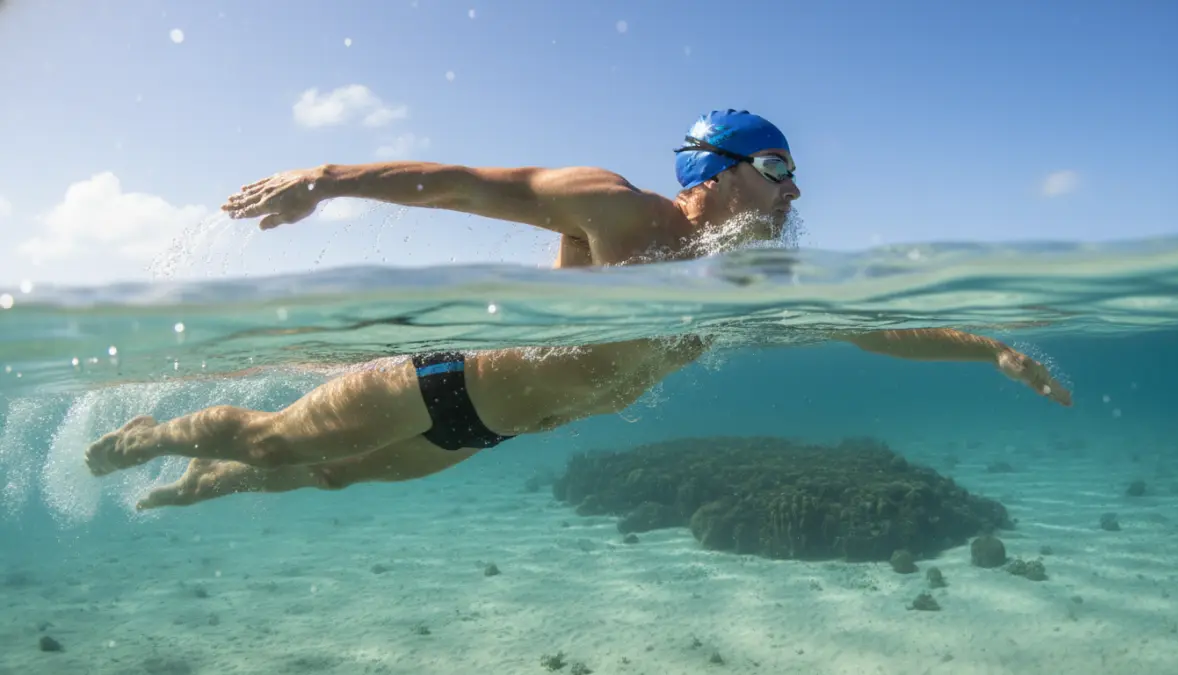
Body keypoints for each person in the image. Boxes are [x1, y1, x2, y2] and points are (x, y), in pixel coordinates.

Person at [85, 109, 1072, 509]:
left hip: (487, 433)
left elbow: (869, 328)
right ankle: (157, 431)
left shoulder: (746, 286)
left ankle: (188, 485)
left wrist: (985, 349)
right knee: (277, 445)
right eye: (777, 171)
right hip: (440, 385)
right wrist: (330, 177)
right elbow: (470, 182)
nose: (792, 194)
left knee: (327, 479)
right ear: (719, 170)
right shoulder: (616, 209)